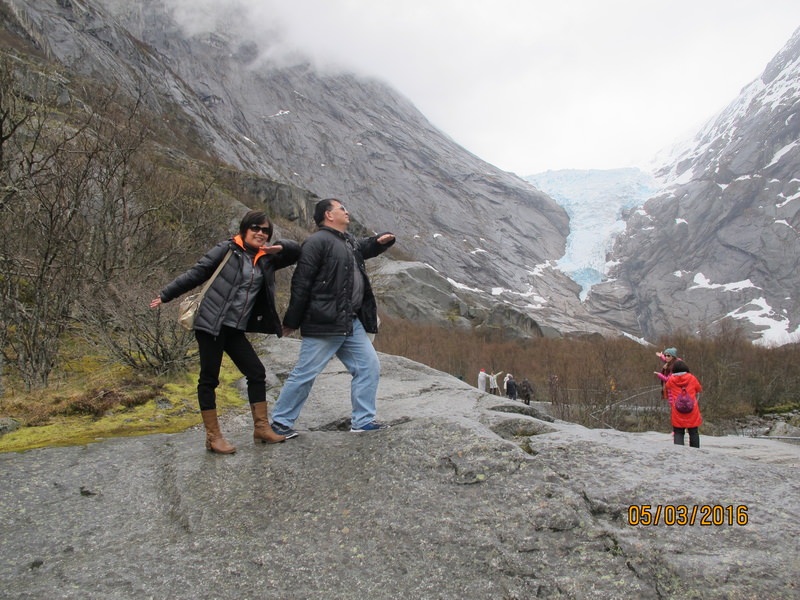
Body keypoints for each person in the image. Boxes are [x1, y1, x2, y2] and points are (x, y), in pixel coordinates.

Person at [150, 211, 300, 454]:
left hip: (234, 328)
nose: (260, 233)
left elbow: (296, 252)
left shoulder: (265, 259)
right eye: (256, 228)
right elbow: (197, 273)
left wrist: (276, 247)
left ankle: (261, 428)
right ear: (244, 229)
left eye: (265, 231)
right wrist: (166, 294)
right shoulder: (227, 250)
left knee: (256, 373)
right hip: (211, 324)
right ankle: (213, 437)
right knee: (209, 379)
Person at [270, 198, 396, 437]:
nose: (347, 212)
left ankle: (363, 421)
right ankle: (279, 423)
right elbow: (301, 282)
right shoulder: (317, 242)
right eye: (342, 209)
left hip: (350, 321)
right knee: (305, 373)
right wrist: (291, 321)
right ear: (328, 215)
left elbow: (365, 247)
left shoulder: (348, 241)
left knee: (369, 366)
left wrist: (380, 242)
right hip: (324, 322)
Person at [657, 360, 703, 448]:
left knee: (678, 432)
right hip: (692, 409)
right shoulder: (692, 378)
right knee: (693, 432)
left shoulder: (671, 380)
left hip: (677, 410)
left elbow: (666, 388)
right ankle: (696, 452)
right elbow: (699, 389)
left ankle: (679, 452)